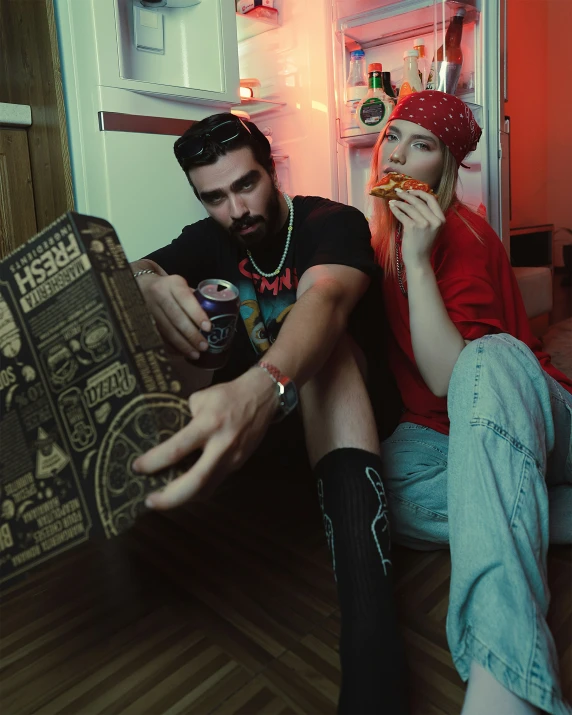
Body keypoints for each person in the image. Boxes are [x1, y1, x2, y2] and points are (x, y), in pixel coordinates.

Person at [130, 113, 408, 714]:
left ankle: (373, 648)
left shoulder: (331, 221)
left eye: (247, 184)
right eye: (215, 197)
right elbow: (137, 268)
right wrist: (149, 284)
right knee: (155, 313)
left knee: (323, 350)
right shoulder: (211, 237)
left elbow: (327, 301)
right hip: (270, 434)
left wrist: (265, 385)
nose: (237, 209)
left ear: (272, 169)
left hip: (349, 416)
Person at [367, 90, 572, 715]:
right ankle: (537, 509)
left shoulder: (458, 234)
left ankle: (507, 681)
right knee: (373, 495)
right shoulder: (383, 232)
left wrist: (422, 266)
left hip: (533, 412)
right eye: (393, 136)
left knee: (483, 358)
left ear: (445, 167)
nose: (398, 154)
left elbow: (450, 380)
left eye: (421, 145)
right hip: (448, 436)